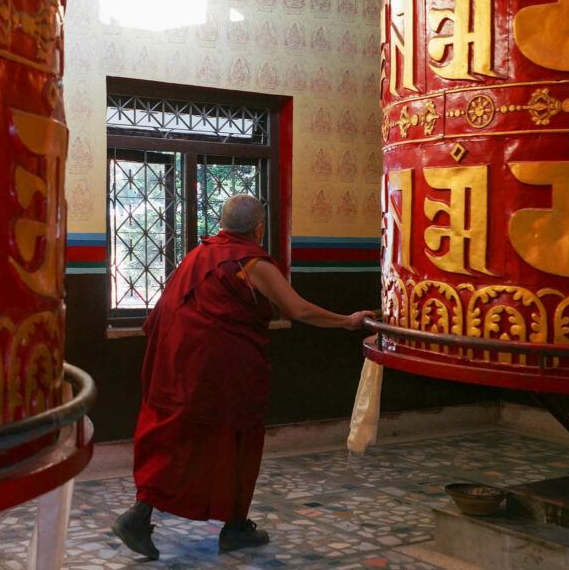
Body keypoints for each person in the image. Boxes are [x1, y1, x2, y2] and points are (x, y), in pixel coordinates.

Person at [111, 194, 376, 559]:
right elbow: (296, 308)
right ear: (259, 228)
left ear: (222, 222)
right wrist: (346, 321)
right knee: (237, 437)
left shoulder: (199, 253)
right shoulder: (250, 261)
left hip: (180, 364)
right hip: (223, 369)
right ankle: (232, 526)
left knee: (178, 439)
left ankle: (143, 516)